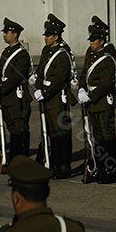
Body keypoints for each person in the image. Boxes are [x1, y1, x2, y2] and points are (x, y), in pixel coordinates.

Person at [77, 16, 116, 184]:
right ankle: (99, 168)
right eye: (90, 39)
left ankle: (110, 170)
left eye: (94, 40)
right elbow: (84, 72)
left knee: (108, 136)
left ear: (102, 41)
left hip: (102, 101)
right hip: (91, 101)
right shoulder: (91, 54)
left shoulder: (107, 58)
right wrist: (81, 88)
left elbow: (105, 82)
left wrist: (91, 96)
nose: (91, 42)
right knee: (97, 137)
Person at [35, 14, 75, 179]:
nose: (45, 37)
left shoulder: (62, 54)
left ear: (56, 37)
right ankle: (52, 162)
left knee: (60, 131)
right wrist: (38, 87)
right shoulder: (47, 50)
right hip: (46, 97)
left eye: (48, 35)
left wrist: (44, 92)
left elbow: (58, 78)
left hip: (57, 97)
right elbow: (40, 72)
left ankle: (63, 165)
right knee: (51, 131)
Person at [0, 18, 33, 161]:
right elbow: (0, 71)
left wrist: (2, 87)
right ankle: (13, 157)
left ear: (15, 34)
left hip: (18, 97)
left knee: (20, 128)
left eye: (7, 32)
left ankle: (21, 158)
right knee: (12, 127)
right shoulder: (6, 52)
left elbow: (17, 76)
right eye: (4, 32)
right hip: (7, 96)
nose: (4, 34)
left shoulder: (22, 54)